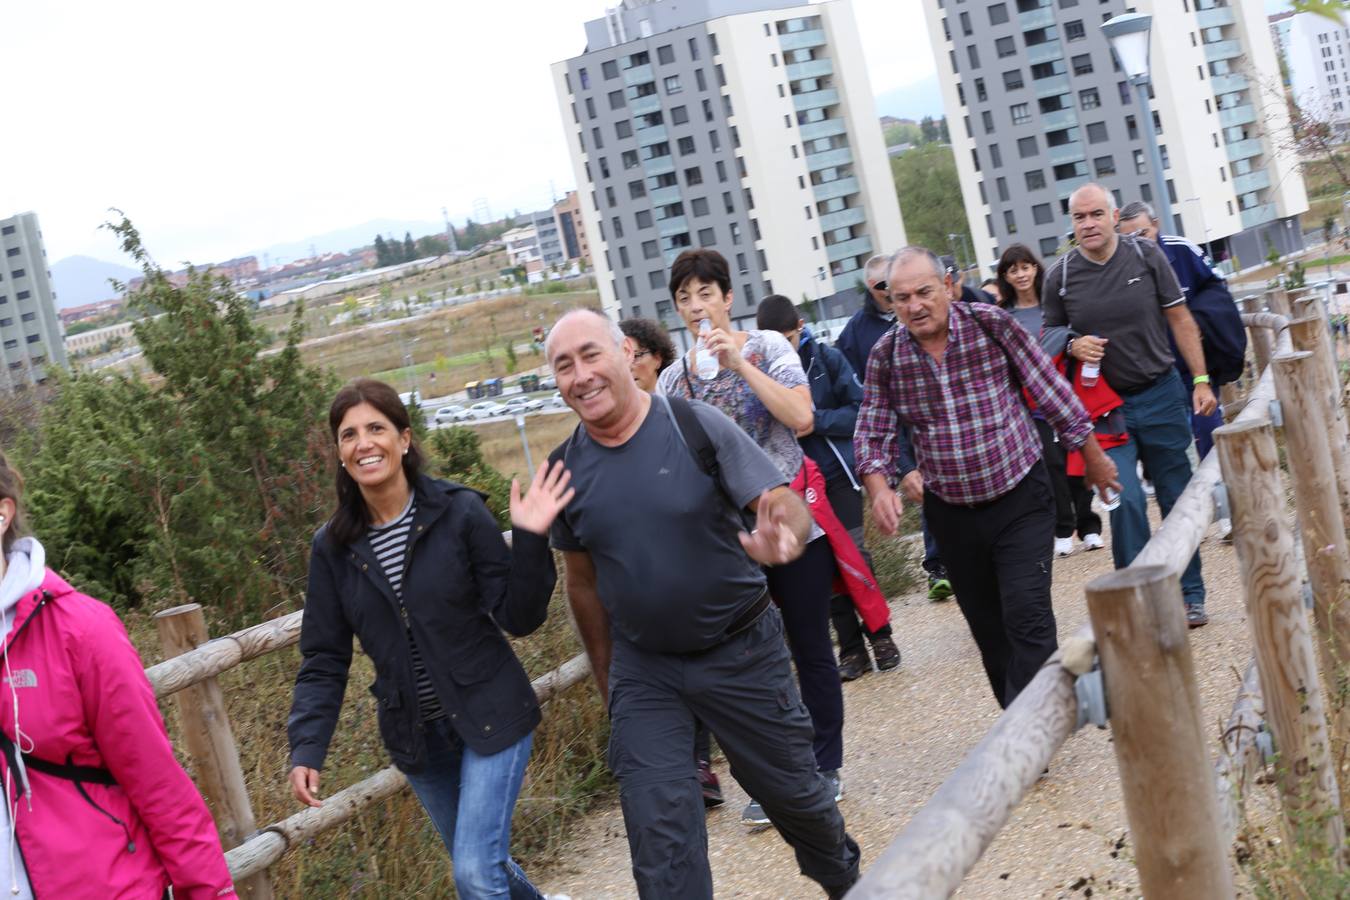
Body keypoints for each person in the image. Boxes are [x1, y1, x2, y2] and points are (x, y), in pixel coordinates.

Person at [547, 308, 860, 899]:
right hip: (646, 671)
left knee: (797, 799)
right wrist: (611, 680)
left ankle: (846, 880)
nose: (581, 375)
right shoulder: (565, 470)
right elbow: (582, 583)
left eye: (591, 355)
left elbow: (782, 503)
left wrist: (785, 535)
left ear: (624, 356)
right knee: (659, 838)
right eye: (564, 366)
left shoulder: (696, 425)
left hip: (741, 650)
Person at [288, 378, 573, 900]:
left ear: (404, 439)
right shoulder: (332, 547)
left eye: (377, 428)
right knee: (487, 865)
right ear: (339, 453)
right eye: (349, 435)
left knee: (473, 872)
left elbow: (519, 616)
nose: (364, 443)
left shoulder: (458, 511)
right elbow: (324, 657)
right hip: (417, 733)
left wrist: (531, 539)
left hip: (491, 709)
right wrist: (307, 745)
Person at [855, 248, 1120, 707]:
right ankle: (1021, 712)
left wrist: (1091, 455)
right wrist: (879, 486)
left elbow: (1048, 388)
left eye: (924, 292)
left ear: (948, 286)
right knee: (990, 630)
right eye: (901, 298)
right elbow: (872, 428)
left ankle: (1032, 734)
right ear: (890, 304)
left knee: (1027, 615)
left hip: (1019, 494)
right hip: (953, 514)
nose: (915, 305)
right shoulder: (886, 356)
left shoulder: (990, 325)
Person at [657, 250, 847, 826]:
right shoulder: (673, 378)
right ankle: (776, 778)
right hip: (726, 544)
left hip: (790, 524)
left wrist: (740, 364)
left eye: (705, 294)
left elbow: (802, 418)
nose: (696, 307)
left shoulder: (768, 347)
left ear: (726, 297)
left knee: (810, 644)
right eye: (684, 298)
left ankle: (825, 766)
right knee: (749, 662)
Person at [0, 451, 235, 899]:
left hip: (96, 882)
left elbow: (156, 781)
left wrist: (211, 892)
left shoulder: (80, 629)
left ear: (2, 512)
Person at [1042, 184, 1216, 627]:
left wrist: (1199, 380)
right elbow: (1047, 337)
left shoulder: (1145, 256)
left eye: (1096, 214)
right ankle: (1139, 604)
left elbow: (1181, 318)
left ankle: (1191, 594)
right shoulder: (1059, 276)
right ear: (1072, 224)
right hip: (1105, 409)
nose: (1089, 224)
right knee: (1127, 501)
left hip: (1159, 393)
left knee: (1178, 499)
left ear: (1113, 215)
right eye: (1080, 218)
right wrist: (1072, 343)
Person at [756, 294, 900, 682]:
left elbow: (860, 410)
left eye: (786, 340)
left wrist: (815, 420)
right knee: (823, 569)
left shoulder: (826, 359)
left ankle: (881, 636)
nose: (779, 349)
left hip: (836, 476)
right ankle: (851, 650)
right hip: (792, 486)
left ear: (800, 328)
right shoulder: (760, 373)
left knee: (854, 554)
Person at [619, 317, 726, 809]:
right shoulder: (605, 427)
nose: (627, 365)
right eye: (619, 355)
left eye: (635, 354)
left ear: (657, 357)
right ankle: (695, 766)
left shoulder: (681, 413)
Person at [837, 255, 953, 601]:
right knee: (925, 490)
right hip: (899, 427)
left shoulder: (966, 319)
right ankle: (938, 567)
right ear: (875, 289)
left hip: (942, 423)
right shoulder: (856, 336)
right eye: (893, 293)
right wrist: (885, 478)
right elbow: (865, 406)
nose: (906, 302)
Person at [996, 243, 1103, 558]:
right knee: (1051, 464)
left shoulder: (1055, 303)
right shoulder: (1003, 315)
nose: (1021, 274)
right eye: (1013, 269)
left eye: (1026, 266)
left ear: (1035, 268)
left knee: (1078, 459)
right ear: (1006, 276)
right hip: (1031, 403)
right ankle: (1063, 527)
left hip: (1069, 393)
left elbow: (1075, 335)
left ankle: (1090, 525)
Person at [618, 317, 677, 394]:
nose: (628, 367)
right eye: (621, 360)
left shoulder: (677, 401)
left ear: (657, 358)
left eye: (635, 356)